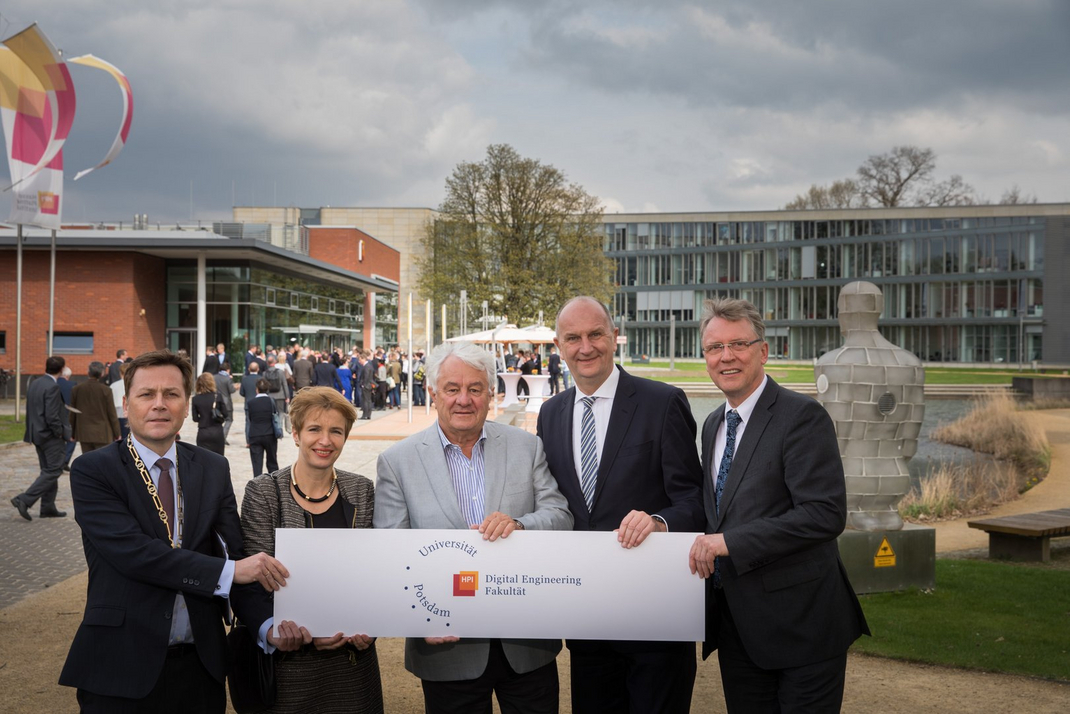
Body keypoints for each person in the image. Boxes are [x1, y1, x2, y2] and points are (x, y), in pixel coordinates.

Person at [58, 349, 306, 712]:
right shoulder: (94, 471)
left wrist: (268, 626)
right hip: (119, 664)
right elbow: (135, 554)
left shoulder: (212, 467)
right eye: (147, 395)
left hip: (200, 667)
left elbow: (235, 554)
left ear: (186, 405)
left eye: (171, 394)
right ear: (126, 404)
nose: (159, 404)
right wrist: (232, 572)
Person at [686, 298, 869, 712]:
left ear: (763, 351)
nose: (726, 356)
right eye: (714, 348)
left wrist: (727, 542)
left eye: (738, 345)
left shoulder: (802, 416)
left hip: (802, 626)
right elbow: (718, 508)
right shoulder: (714, 423)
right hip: (738, 627)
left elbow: (823, 514)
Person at [374, 341, 573, 714]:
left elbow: (560, 515)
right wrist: (416, 618)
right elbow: (391, 552)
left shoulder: (526, 446)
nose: (463, 400)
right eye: (452, 389)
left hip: (526, 642)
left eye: (475, 389)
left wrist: (521, 524)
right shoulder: (397, 462)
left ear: (490, 393)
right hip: (446, 647)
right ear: (433, 394)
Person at [536, 296, 704, 714]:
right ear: (559, 346)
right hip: (587, 618)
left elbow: (696, 499)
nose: (585, 347)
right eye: (573, 338)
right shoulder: (551, 413)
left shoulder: (662, 402)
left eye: (595, 334)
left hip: (655, 615)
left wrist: (660, 521)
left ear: (614, 338)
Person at [241, 387, 384, 713]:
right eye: (314, 429)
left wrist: (372, 626)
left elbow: (375, 571)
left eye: (336, 431)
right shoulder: (264, 491)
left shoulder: (361, 489)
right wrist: (281, 629)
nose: (326, 440)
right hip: (291, 667)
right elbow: (254, 579)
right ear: (295, 434)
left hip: (353, 666)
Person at [12, 356, 72, 520]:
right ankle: (24, 499)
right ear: (61, 370)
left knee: (48, 470)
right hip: (50, 436)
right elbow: (52, 415)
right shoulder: (52, 386)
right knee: (54, 470)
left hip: (36, 434)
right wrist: (59, 432)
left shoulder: (35, 383)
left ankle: (47, 507)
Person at [70, 361, 121, 454]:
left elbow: (73, 413)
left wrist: (72, 433)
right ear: (102, 374)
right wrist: (117, 433)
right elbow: (112, 413)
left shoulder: (76, 389)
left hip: (84, 432)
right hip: (103, 433)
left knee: (88, 462)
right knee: (103, 463)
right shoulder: (106, 390)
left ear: (88, 372)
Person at [247, 378, 280, 476]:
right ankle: (275, 485)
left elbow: (250, 418)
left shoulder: (251, 402)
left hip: (255, 434)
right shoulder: (271, 401)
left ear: (257, 389)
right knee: (272, 462)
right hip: (269, 433)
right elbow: (275, 415)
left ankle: (257, 487)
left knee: (257, 464)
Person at [191, 372, 228, 456]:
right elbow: (226, 414)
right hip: (217, 431)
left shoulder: (196, 399)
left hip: (203, 431)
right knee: (219, 459)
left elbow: (195, 418)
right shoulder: (217, 396)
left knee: (203, 459)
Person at [213, 362, 237, 445]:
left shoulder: (214, 377)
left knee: (217, 419)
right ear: (228, 370)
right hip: (226, 402)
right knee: (229, 419)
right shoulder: (228, 379)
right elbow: (232, 390)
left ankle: (217, 437)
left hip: (216, 401)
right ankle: (222, 437)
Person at [111, 362, 131, 441]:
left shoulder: (113, 385)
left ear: (120, 373)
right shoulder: (132, 384)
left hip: (115, 412)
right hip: (127, 411)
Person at [359, 351, 376, 420]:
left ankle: (365, 415)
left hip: (366, 386)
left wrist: (363, 384)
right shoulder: (369, 365)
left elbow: (366, 377)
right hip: (369, 385)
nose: (359, 361)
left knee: (366, 400)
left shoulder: (366, 366)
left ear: (363, 359)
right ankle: (368, 414)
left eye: (360, 360)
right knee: (368, 400)